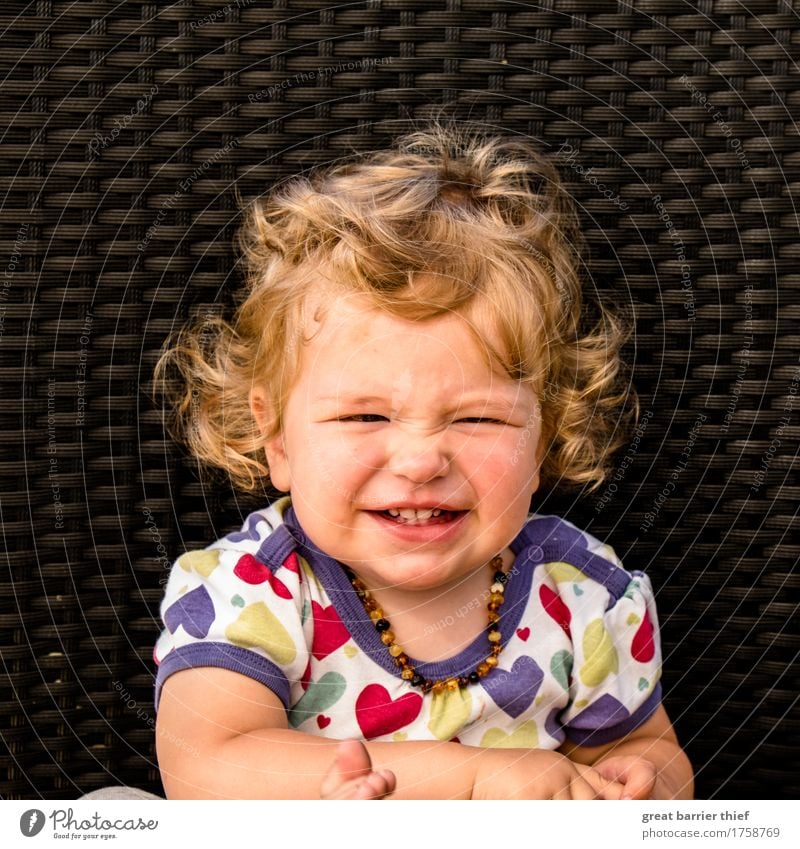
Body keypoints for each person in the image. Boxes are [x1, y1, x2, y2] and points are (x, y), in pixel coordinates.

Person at [152, 122, 694, 800]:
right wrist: (467, 783)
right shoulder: (253, 589)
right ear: (279, 439)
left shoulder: (581, 595)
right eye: (365, 416)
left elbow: (644, 746)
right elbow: (209, 765)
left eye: (476, 418)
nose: (418, 460)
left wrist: (645, 783)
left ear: (546, 432)